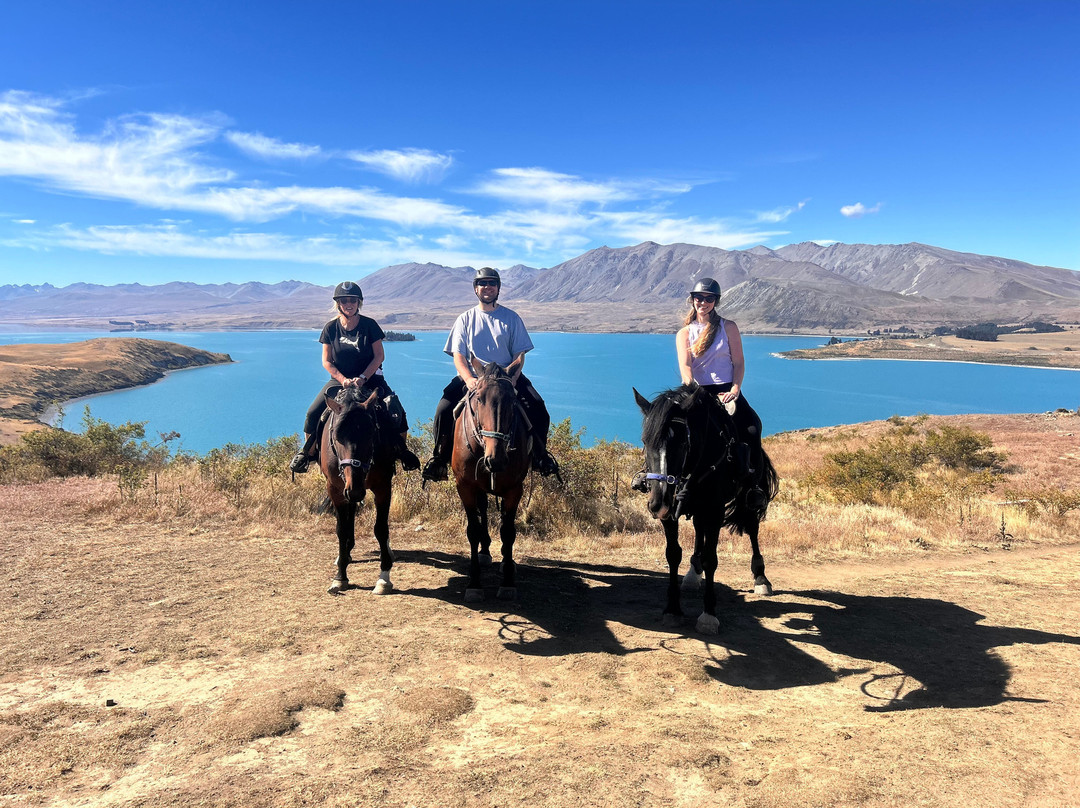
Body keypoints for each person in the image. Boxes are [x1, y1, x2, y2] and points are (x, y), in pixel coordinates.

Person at [421, 267, 558, 482]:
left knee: (539, 407)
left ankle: (541, 458)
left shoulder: (512, 318)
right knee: (443, 409)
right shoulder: (465, 319)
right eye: (482, 283)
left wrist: (511, 380)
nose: (487, 287)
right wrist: (469, 380)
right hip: (474, 378)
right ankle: (438, 459)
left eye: (492, 283)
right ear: (475, 289)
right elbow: (459, 356)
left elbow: (519, 355)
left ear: (498, 288)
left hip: (506, 377)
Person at [289, 280, 420, 473]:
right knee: (312, 413)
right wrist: (342, 379)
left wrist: (363, 377)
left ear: (359, 302)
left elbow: (379, 356)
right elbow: (326, 361)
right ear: (338, 304)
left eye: (353, 300)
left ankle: (402, 452)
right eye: (344, 300)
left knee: (394, 410)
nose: (349, 304)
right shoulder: (330, 328)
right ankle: (307, 454)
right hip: (340, 381)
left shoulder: (369, 325)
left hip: (371, 379)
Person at [675, 277, 767, 506]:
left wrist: (735, 389)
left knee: (752, 429)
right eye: (699, 298)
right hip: (698, 391)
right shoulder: (684, 333)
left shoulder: (729, 327)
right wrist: (693, 390)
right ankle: (661, 480)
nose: (703, 302)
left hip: (727, 390)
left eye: (708, 298)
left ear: (715, 301)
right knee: (668, 428)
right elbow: (686, 368)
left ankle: (753, 486)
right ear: (692, 300)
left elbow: (739, 362)